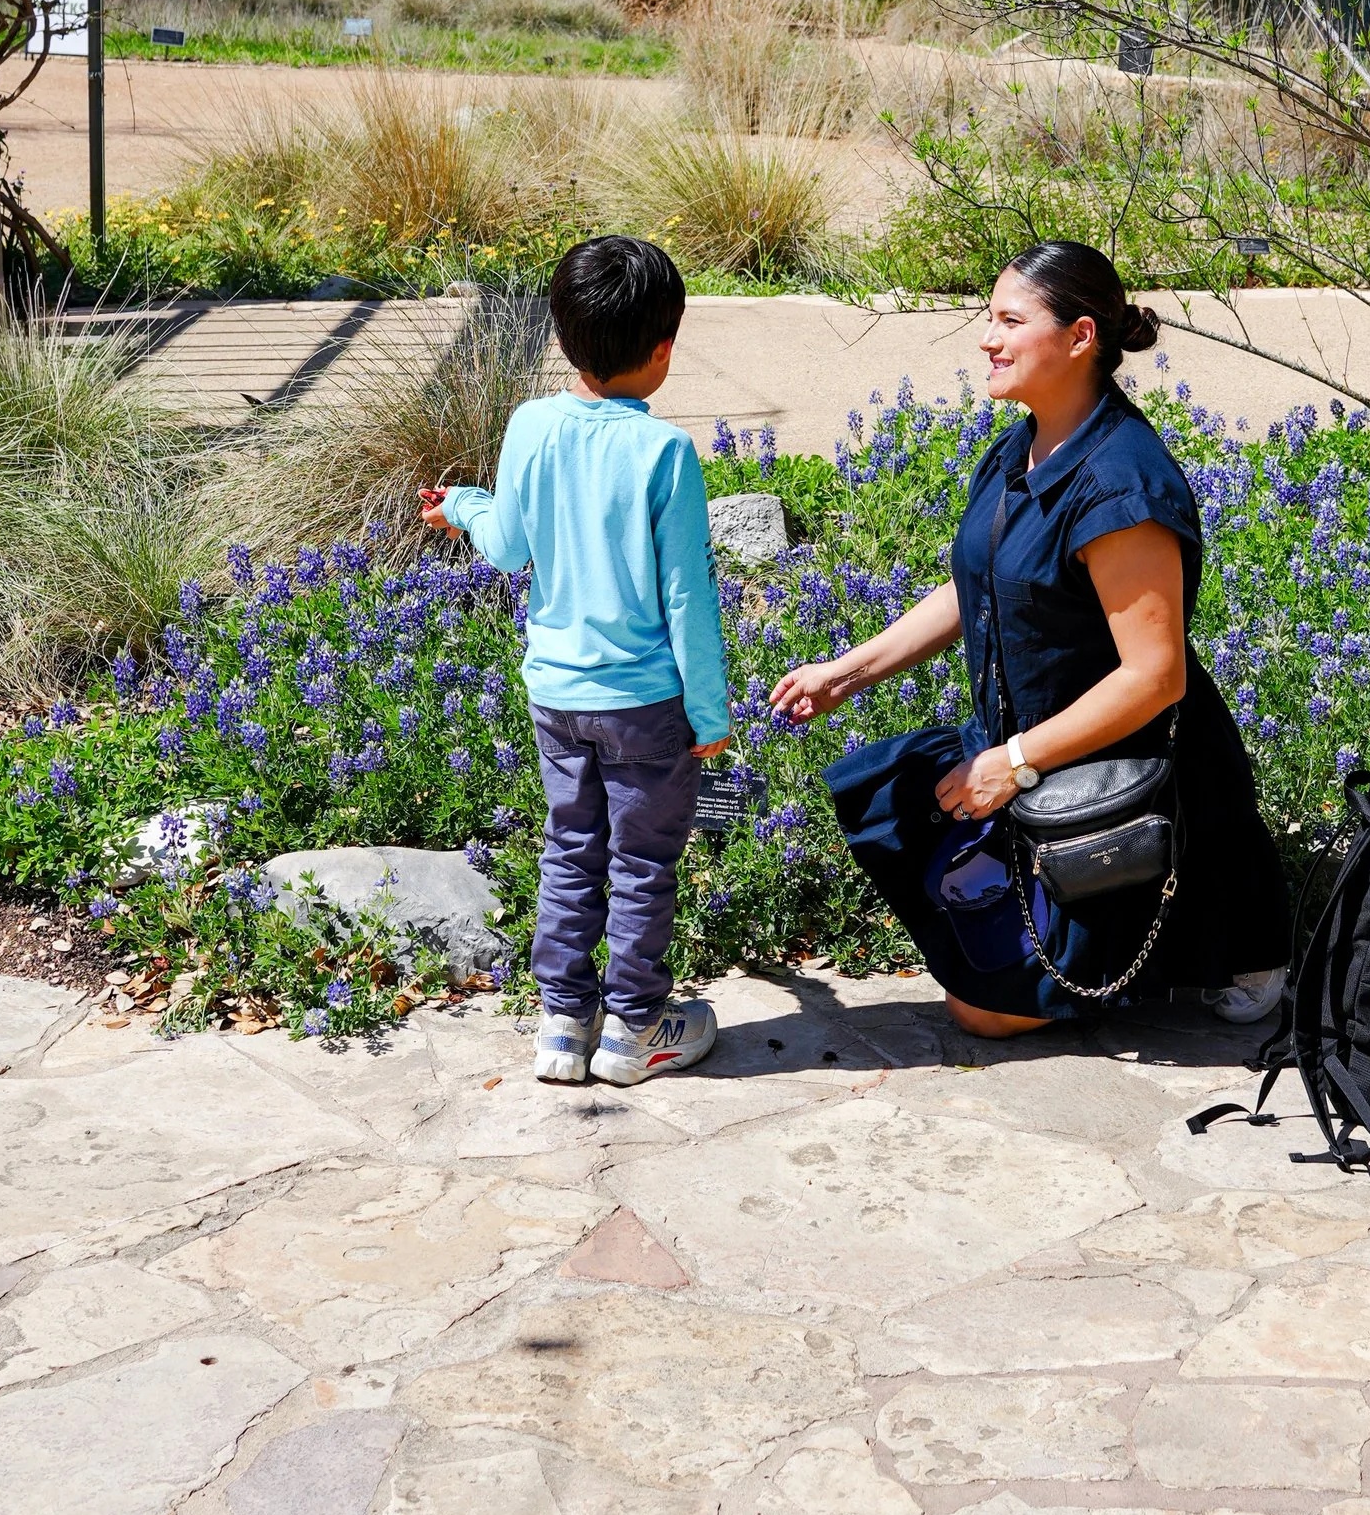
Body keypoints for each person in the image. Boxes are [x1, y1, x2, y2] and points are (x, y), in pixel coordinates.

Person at [771, 240, 1288, 1034]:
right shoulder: (1026, 444)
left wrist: (1011, 764)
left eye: (1011, 321)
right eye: (990, 319)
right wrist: (847, 672)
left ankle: (1230, 938)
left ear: (1081, 337)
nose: (988, 339)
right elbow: (977, 583)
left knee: (982, 1012)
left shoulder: (1121, 485)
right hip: (1036, 755)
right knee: (903, 826)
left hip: (1124, 781)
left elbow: (1155, 676)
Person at [421, 235, 731, 1088]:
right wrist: (709, 713)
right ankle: (634, 1028)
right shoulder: (665, 452)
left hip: (556, 697)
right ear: (664, 348)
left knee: (570, 849)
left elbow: (506, 547)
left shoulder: (531, 424)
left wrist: (467, 506)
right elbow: (687, 597)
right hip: (645, 705)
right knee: (642, 863)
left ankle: (563, 1023)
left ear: (561, 338)